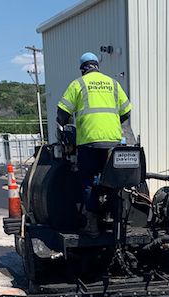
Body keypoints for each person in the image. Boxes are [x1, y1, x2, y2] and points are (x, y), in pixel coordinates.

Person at [57, 52, 132, 236]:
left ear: (83, 69)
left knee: (88, 180)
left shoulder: (78, 84)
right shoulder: (113, 84)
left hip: (89, 142)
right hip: (113, 142)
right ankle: (116, 219)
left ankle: (92, 224)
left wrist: (65, 126)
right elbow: (127, 112)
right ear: (97, 65)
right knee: (114, 180)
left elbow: (62, 112)